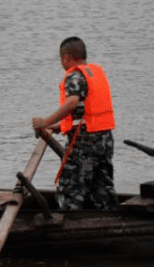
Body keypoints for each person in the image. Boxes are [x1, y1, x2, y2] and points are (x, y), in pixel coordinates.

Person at [31, 36, 117, 210]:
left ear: (66, 58)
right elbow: (86, 111)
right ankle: (109, 217)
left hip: (85, 142)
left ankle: (69, 221)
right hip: (105, 139)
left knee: (71, 185)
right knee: (102, 184)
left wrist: (45, 121)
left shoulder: (74, 75)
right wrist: (60, 126)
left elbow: (72, 102)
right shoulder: (95, 72)